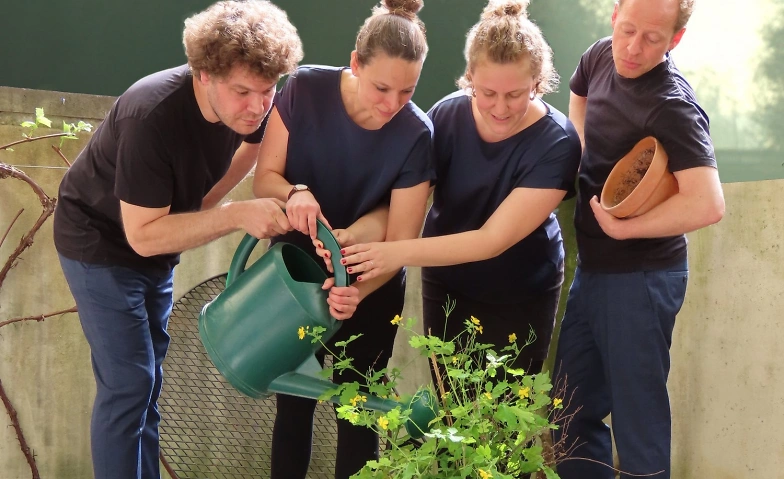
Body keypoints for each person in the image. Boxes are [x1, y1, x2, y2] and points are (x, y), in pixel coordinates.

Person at [53, 2, 330, 478]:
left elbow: (254, 146)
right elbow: (141, 237)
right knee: (128, 384)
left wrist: (205, 203)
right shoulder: (151, 114)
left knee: (149, 382)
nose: (257, 105)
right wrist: (235, 214)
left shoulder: (255, 106)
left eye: (268, 91)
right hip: (97, 241)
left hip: (156, 242)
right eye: (243, 91)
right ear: (204, 75)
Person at [338, 0, 581, 375]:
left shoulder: (558, 142)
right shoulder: (444, 116)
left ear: (537, 83)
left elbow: (491, 240)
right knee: (453, 413)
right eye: (487, 93)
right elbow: (404, 202)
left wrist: (394, 253)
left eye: (515, 94)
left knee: (501, 421)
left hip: (521, 292)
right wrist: (357, 235)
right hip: (447, 284)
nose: (500, 108)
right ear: (469, 76)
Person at [251, 0, 433, 477]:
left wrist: (357, 292)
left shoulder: (417, 134)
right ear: (355, 62)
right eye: (381, 87)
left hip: (368, 290)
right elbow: (264, 178)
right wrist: (297, 193)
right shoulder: (305, 88)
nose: (392, 103)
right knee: (293, 406)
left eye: (407, 91)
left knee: (358, 416)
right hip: (293, 279)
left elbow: (400, 243)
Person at [550, 0, 725, 478]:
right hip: (594, 268)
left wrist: (624, 227)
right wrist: (583, 154)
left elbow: (708, 203)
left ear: (676, 39)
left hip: (643, 278)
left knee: (638, 425)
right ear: (613, 18)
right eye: (627, 30)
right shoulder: (599, 56)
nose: (632, 47)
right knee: (568, 413)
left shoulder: (672, 105)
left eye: (652, 37)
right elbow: (579, 95)